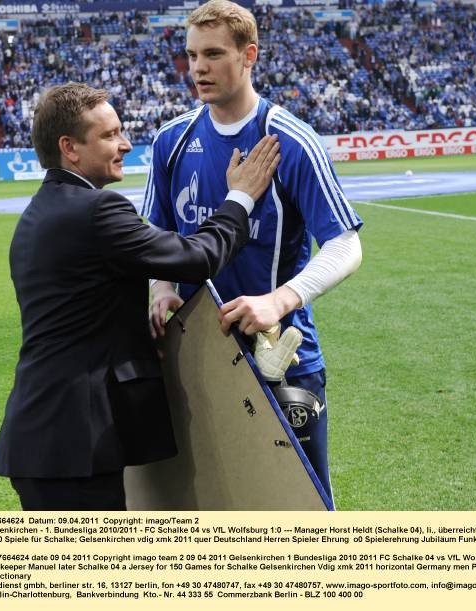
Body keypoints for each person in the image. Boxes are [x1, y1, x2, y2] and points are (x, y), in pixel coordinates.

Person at [0, 82, 280, 510]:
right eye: (109, 135)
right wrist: (241, 197)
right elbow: (199, 258)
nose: (124, 144)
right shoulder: (97, 211)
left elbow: (78, 313)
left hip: (48, 439)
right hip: (74, 448)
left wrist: (138, 324)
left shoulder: (40, 211)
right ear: (69, 147)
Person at [145, 0, 363, 504]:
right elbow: (155, 240)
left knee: (298, 511)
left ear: (250, 55)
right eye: (192, 54)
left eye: (214, 53)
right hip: (197, 362)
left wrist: (279, 300)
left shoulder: (291, 141)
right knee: (210, 506)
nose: (198, 67)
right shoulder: (171, 142)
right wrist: (159, 289)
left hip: (282, 359)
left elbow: (346, 243)